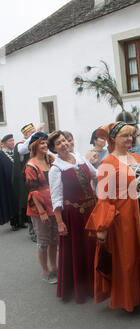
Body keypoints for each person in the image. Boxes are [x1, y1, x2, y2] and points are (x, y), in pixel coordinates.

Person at [85, 122, 140, 312]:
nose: (130, 139)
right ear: (113, 139)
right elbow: (103, 197)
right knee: (128, 257)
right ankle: (129, 298)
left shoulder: (134, 156)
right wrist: (101, 227)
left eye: (131, 135)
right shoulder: (107, 163)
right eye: (125, 136)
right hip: (123, 218)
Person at [48, 131, 97, 303]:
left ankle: (95, 284)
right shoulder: (56, 169)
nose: (64, 144)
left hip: (91, 210)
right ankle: (81, 287)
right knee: (78, 250)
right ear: (54, 149)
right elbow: (56, 198)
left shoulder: (79, 157)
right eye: (59, 143)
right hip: (74, 215)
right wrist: (60, 223)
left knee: (93, 246)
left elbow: (95, 175)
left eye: (64, 141)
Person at [25, 132, 58, 284]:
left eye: (45, 143)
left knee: (54, 240)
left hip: (54, 204)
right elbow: (32, 191)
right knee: (43, 241)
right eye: (41, 143)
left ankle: (54, 267)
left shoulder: (51, 160)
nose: (45, 146)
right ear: (34, 146)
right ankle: (45, 271)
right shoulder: (31, 165)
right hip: (40, 208)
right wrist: (42, 211)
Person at [12, 123, 45, 240]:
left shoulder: (36, 144)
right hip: (27, 181)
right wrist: (37, 132)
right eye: (31, 133)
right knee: (32, 204)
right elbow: (25, 148)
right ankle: (33, 232)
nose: (34, 136)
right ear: (26, 135)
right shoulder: (20, 146)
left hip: (39, 177)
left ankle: (42, 229)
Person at [0, 135, 19, 229]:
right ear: (5, 143)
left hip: (16, 181)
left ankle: (20, 221)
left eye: (13, 140)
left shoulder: (15, 152)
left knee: (17, 201)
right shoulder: (2, 154)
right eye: (10, 141)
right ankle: (14, 222)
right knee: (10, 201)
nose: (12, 142)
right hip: (7, 183)